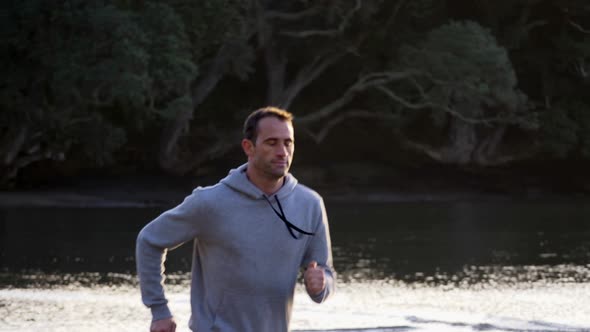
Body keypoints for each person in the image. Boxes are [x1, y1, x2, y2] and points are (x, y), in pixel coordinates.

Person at [136, 106, 335, 332]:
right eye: (272, 143)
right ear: (248, 147)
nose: (282, 151)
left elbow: (325, 273)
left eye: (288, 142)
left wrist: (320, 285)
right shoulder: (210, 202)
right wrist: (159, 310)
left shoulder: (310, 204)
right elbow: (149, 240)